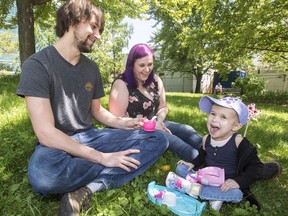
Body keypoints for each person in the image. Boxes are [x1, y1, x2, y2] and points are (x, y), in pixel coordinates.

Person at [16, 1, 169, 215]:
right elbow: (46, 133)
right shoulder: (38, 65)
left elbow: (97, 112)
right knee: (43, 176)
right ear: (72, 20)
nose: (98, 35)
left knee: (159, 140)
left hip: (91, 137)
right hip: (55, 144)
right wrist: (102, 157)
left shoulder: (91, 68)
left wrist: (124, 123)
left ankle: (86, 189)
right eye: (94, 26)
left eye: (99, 29)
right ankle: (106, 167)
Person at [168, 96, 281, 211]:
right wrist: (192, 163)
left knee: (237, 194)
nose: (215, 119)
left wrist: (238, 182)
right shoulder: (206, 139)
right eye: (213, 114)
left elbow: (255, 167)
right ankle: (207, 194)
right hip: (206, 179)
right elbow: (202, 156)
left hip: (225, 185)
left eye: (223, 117)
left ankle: (192, 189)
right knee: (181, 168)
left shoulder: (239, 142)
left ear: (235, 126)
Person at [109, 43, 202, 161]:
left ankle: (217, 152)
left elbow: (163, 107)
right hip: (135, 129)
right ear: (131, 65)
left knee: (188, 131)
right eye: (142, 65)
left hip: (156, 123)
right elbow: (117, 119)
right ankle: (202, 164)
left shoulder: (155, 80)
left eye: (150, 64)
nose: (146, 70)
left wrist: (159, 121)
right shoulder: (121, 84)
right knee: (177, 143)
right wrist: (150, 126)